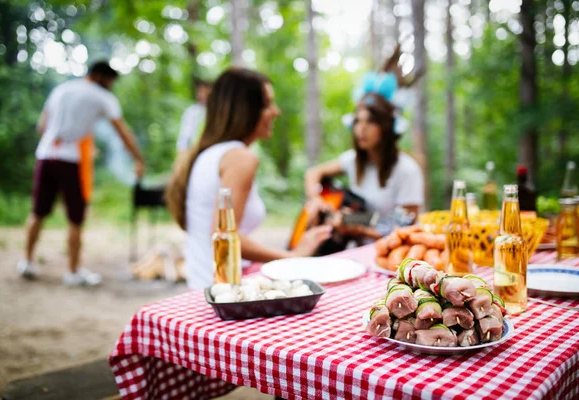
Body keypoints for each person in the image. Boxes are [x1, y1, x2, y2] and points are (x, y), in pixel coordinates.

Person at [166, 68, 331, 290]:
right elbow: (224, 235)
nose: (276, 111)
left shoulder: (208, 154)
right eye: (267, 104)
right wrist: (292, 256)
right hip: (224, 292)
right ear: (245, 110)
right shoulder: (240, 158)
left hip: (202, 286)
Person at [17, 61, 145, 286]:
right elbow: (122, 131)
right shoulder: (102, 97)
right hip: (70, 159)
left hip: (45, 154)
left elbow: (42, 126)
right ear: (99, 76)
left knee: (38, 211)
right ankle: (73, 272)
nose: (111, 85)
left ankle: (27, 261)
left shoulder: (62, 89)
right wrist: (138, 158)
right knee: (76, 217)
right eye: (110, 80)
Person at [305, 92, 424, 220]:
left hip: (391, 239)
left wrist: (353, 225)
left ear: (386, 127)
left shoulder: (407, 169)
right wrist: (315, 200)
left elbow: (406, 225)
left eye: (371, 121)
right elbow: (313, 172)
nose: (361, 128)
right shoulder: (352, 160)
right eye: (357, 121)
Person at [176, 79, 212, 153]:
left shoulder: (215, 113)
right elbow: (184, 137)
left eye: (206, 92)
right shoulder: (191, 111)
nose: (203, 95)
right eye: (200, 91)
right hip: (191, 152)